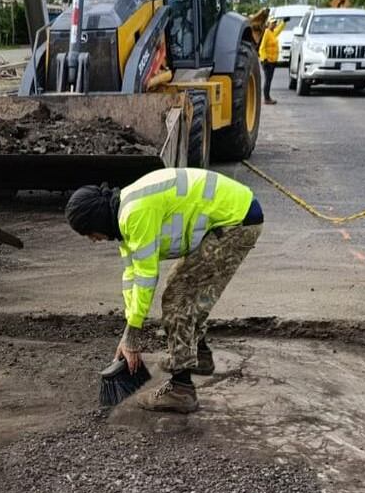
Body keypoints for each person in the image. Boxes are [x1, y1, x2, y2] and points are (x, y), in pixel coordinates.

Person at [65, 168, 263, 414]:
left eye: (88, 233)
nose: (92, 240)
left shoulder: (135, 213)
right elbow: (132, 276)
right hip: (232, 215)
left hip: (237, 221)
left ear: (96, 221)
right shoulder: (123, 216)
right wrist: (128, 331)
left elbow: (148, 277)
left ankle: (181, 390)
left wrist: (133, 334)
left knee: (178, 296)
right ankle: (198, 355)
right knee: (183, 286)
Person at [258, 17, 285, 106]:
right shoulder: (266, 33)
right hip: (267, 61)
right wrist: (264, 59)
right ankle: (266, 98)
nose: (274, 24)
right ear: (268, 24)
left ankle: (268, 97)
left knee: (269, 80)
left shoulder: (272, 33)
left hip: (273, 61)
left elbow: (279, 30)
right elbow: (262, 47)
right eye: (273, 23)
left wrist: (283, 22)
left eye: (275, 23)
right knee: (268, 80)